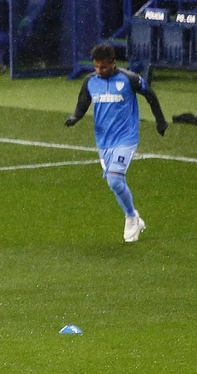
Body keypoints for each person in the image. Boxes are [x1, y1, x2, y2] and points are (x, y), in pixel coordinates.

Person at [65, 44, 169, 242]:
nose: (99, 71)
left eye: (103, 67)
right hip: (103, 141)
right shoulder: (90, 81)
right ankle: (134, 217)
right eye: (96, 67)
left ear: (113, 63)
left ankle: (130, 218)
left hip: (126, 138)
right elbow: (83, 103)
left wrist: (160, 121)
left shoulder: (129, 79)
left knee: (114, 178)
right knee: (115, 184)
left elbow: (150, 95)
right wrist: (75, 117)